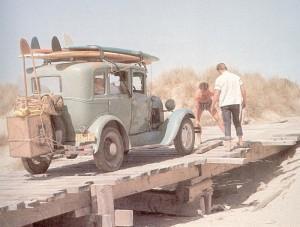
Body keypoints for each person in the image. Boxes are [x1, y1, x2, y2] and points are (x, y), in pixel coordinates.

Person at [211, 63, 246, 151]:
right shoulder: (236, 77)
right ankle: (241, 141)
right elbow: (243, 89)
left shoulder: (219, 79)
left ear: (219, 70)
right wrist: (244, 100)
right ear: (226, 68)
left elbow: (216, 93)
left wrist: (212, 105)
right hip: (235, 102)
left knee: (227, 123)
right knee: (237, 121)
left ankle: (229, 145)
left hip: (225, 104)